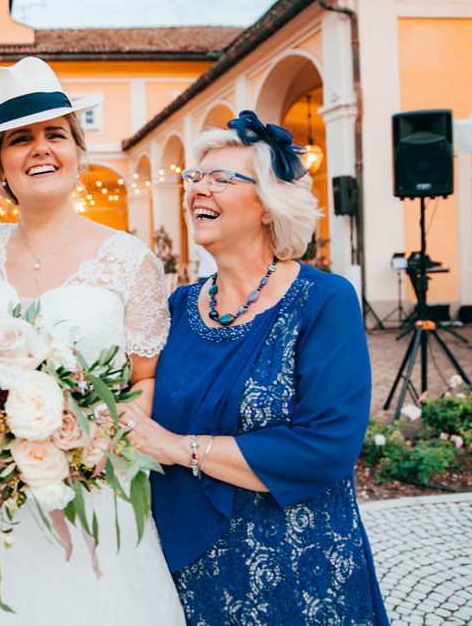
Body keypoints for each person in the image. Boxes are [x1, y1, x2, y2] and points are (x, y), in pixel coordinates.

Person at [0, 56, 185, 624]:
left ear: (77, 151)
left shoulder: (129, 258)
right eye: (20, 140)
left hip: (92, 490)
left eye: (56, 135)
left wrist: (91, 446)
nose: (41, 148)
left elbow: (144, 381)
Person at [120, 111, 389, 625]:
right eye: (194, 178)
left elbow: (327, 448)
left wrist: (179, 448)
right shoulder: (175, 308)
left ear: (268, 205)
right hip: (190, 571)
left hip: (300, 570)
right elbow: (133, 398)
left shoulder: (322, 300)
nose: (198, 189)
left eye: (221, 179)